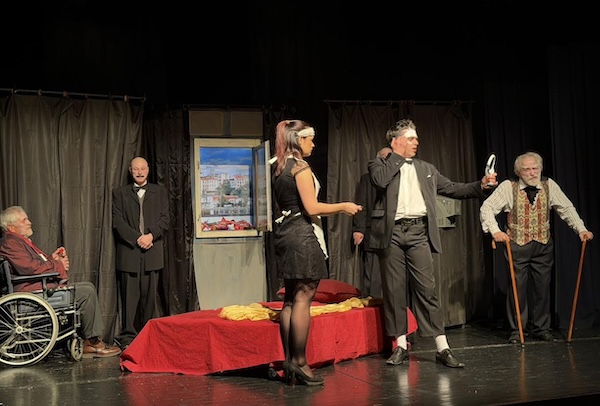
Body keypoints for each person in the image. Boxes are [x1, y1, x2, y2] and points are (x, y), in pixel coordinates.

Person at [368, 119, 497, 368]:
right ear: (396, 141)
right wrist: (396, 156)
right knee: (394, 291)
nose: (416, 142)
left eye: (416, 138)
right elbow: (380, 181)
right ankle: (400, 346)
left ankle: (442, 347)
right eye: (411, 138)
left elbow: (453, 189)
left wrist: (480, 186)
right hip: (391, 234)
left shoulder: (426, 168)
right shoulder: (380, 163)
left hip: (418, 232)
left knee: (427, 290)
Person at [271, 119, 362, 385]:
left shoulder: (278, 166)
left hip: (286, 234)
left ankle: (290, 360)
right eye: (310, 139)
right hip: (301, 236)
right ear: (299, 140)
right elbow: (311, 208)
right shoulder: (300, 167)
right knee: (303, 298)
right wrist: (344, 206)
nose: (314, 144)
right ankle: (300, 362)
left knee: (290, 299)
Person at [480, 151, 593, 344]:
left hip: (542, 244)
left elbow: (565, 208)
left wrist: (580, 229)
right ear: (518, 172)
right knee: (517, 288)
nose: (532, 173)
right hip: (517, 244)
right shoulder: (509, 187)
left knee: (542, 288)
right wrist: (495, 231)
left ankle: (541, 327)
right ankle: (517, 330)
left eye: (535, 168)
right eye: (527, 169)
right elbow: (487, 207)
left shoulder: (549, 185)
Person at [0, 206, 122, 358]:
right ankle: (93, 343)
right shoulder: (11, 243)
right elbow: (29, 268)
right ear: (11, 227)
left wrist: (52, 259)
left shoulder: (19, 242)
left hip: (36, 287)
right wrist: (58, 265)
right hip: (31, 293)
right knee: (86, 292)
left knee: (86, 287)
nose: (29, 222)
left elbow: (35, 264)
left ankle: (90, 341)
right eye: (24, 220)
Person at [112, 156, 169, 349]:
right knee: (129, 300)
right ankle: (128, 337)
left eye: (142, 168)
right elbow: (118, 222)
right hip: (129, 253)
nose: (139, 172)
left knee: (150, 299)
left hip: (152, 254)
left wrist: (151, 235)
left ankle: (149, 335)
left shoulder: (160, 192)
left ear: (148, 170)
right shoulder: (119, 193)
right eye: (136, 169)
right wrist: (138, 238)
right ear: (130, 171)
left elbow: (165, 219)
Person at [353, 146, 392, 298]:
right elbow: (361, 204)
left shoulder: (399, 176)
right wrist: (358, 229)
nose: (387, 160)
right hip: (372, 231)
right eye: (384, 157)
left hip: (393, 231)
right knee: (372, 271)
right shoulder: (367, 179)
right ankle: (370, 301)